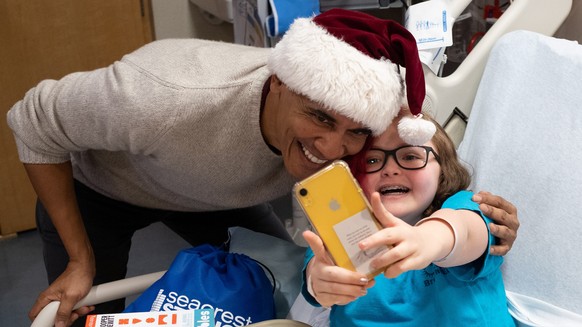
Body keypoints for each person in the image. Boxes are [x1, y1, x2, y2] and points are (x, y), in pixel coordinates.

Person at [6, 8, 518, 327]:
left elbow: (460, 230)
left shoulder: (444, 209)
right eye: (319, 116)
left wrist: (447, 234)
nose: (334, 148)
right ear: (276, 86)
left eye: (358, 136)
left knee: (266, 270)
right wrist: (80, 261)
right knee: (83, 313)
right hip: (103, 190)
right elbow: (32, 119)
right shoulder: (161, 99)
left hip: (221, 191)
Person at [302, 111, 515, 326]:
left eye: (411, 157)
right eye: (372, 160)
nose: (390, 170)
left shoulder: (464, 205)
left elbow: (465, 231)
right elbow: (317, 270)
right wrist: (320, 283)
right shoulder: (336, 230)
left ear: (442, 171)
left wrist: (426, 240)